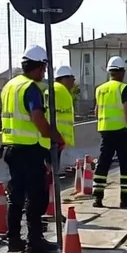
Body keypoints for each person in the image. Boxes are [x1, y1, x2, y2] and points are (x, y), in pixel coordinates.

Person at [0, 45, 61, 253]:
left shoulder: (10, 85)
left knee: (15, 196)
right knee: (37, 195)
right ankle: (35, 239)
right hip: (28, 151)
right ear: (37, 67)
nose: (43, 73)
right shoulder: (31, 88)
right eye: (43, 68)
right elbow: (38, 120)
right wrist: (55, 136)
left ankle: (14, 239)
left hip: (9, 147)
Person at [93, 56, 127, 209]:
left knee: (103, 164)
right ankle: (125, 199)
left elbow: (96, 112)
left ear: (109, 72)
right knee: (126, 166)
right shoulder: (124, 88)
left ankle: (97, 197)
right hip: (122, 132)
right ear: (122, 71)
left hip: (105, 132)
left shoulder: (100, 89)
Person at [43, 64, 77, 221]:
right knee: (50, 175)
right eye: (72, 79)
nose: (73, 82)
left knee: (47, 174)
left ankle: (47, 207)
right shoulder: (60, 91)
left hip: (48, 138)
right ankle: (50, 208)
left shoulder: (50, 90)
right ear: (64, 78)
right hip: (55, 140)